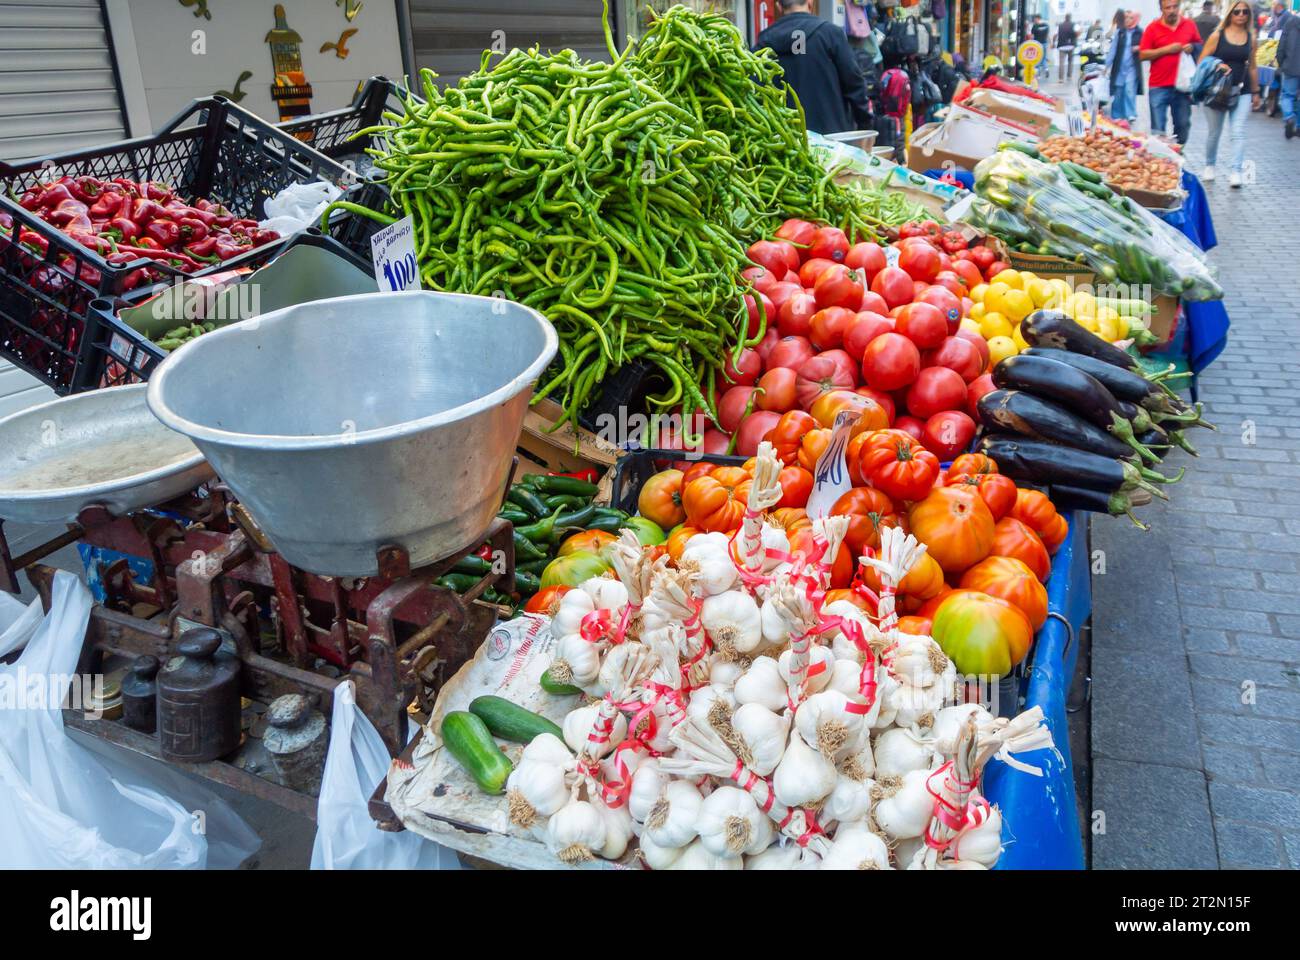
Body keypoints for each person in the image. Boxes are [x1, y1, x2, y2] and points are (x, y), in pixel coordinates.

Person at [755, 0, 872, 134]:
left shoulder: (764, 43)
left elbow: (755, 91)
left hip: (785, 142)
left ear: (779, 7)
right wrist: (865, 124)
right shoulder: (830, 34)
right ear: (810, 3)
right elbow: (854, 83)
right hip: (833, 143)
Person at [1199, 1, 1261, 184]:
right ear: (1230, 14)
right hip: (1216, 90)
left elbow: (1253, 67)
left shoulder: (1251, 38)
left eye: (1245, 12)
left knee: (1238, 131)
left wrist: (1256, 91)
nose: (1241, 15)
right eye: (1237, 12)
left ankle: (1236, 171)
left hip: (1242, 89)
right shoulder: (1217, 36)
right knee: (1214, 133)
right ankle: (1210, 165)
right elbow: (1202, 60)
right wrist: (1217, 64)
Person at [1141, 0, 1202, 143]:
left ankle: (1178, 156)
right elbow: (1142, 55)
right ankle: (1160, 160)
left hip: (1182, 86)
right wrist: (1166, 50)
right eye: (1168, 7)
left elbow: (1199, 45)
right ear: (1161, 9)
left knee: (1183, 125)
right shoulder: (1152, 28)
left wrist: (1192, 47)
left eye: (1175, 7)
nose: (1172, 10)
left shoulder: (1189, 25)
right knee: (1158, 130)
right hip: (1158, 85)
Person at [1106, 9, 1144, 122]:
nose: (1127, 20)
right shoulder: (1120, 32)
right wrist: (1106, 66)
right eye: (1126, 18)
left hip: (1132, 67)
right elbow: (1113, 49)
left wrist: (1139, 48)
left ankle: (1130, 113)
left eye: (1131, 18)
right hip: (1119, 67)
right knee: (1118, 91)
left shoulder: (1139, 32)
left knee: (1129, 90)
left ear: (1135, 19)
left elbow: (1147, 45)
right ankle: (1117, 114)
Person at [1276, 2, 1300, 137]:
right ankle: (1298, 126)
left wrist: (1281, 63)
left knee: (1287, 95)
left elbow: (1282, 45)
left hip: (1290, 66)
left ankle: (1289, 118)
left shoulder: (1290, 22)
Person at [1054, 14, 1079, 80]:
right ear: (1070, 18)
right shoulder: (1074, 25)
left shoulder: (1060, 25)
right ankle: (1069, 75)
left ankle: (1061, 78)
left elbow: (1055, 35)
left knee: (1061, 62)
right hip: (1071, 45)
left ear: (1065, 18)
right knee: (1070, 61)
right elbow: (1077, 33)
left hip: (1062, 46)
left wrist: (1053, 43)